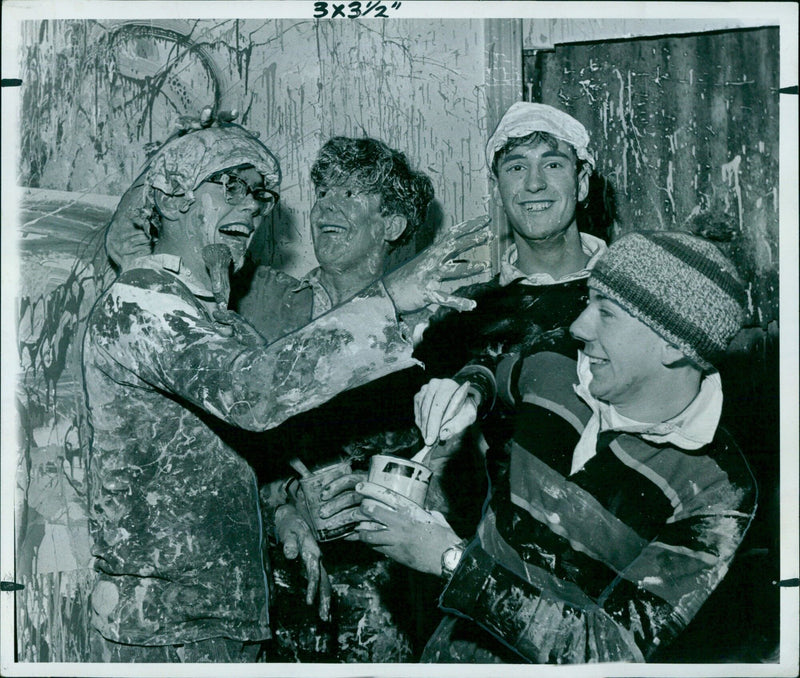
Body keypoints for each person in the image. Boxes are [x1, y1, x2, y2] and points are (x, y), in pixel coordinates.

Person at [82, 118, 489, 662]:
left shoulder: (228, 323)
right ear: (176, 197)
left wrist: (282, 513)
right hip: (177, 620)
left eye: (260, 194)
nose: (253, 206)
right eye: (231, 186)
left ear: (391, 224)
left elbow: (241, 458)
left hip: (271, 608)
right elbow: (254, 396)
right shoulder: (154, 301)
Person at [354, 230, 757, 663]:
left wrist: (451, 559)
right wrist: (466, 393)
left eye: (607, 313)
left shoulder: (719, 490)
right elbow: (496, 372)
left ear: (674, 346)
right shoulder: (557, 359)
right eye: (589, 301)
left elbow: (608, 652)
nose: (579, 325)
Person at [234, 136, 440, 661]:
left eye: (351, 193)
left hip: (395, 594)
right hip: (287, 583)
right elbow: (231, 455)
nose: (326, 204)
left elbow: (461, 472)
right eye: (323, 189)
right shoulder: (266, 306)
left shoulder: (434, 327)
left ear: (391, 225)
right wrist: (283, 506)